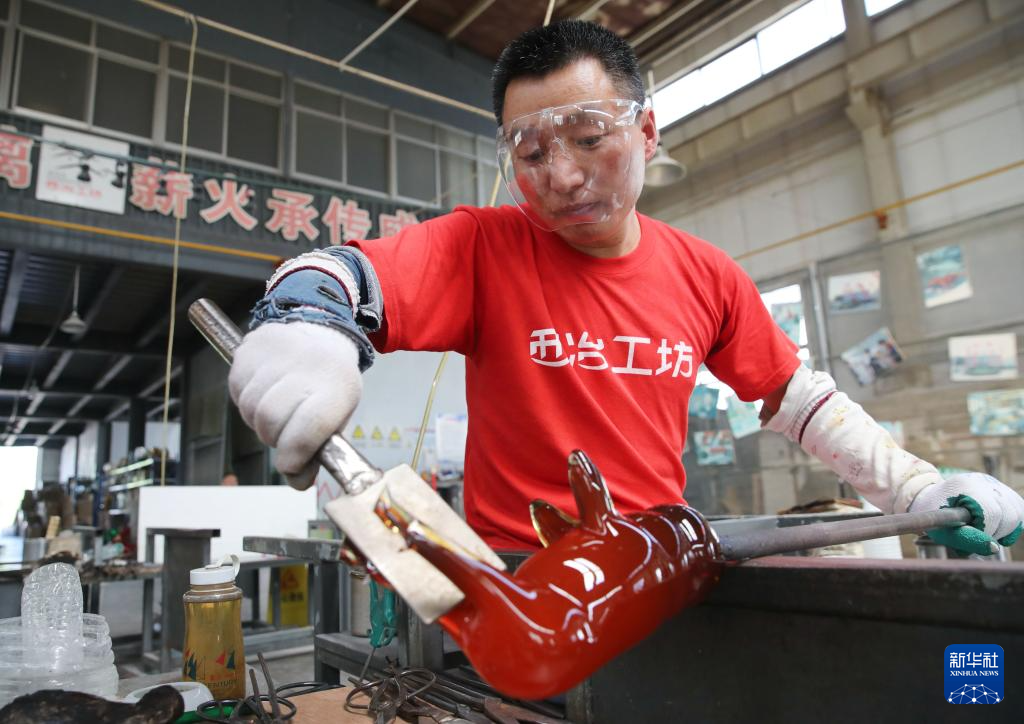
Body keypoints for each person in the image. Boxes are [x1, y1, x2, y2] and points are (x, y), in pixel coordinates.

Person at [229, 20, 1023, 555]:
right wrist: (305, 318)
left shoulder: (706, 275)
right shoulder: (484, 248)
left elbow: (801, 401)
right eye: (530, 153)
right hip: (521, 584)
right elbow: (343, 271)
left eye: (588, 138)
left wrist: (919, 488)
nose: (562, 177)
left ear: (646, 131)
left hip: (658, 570)